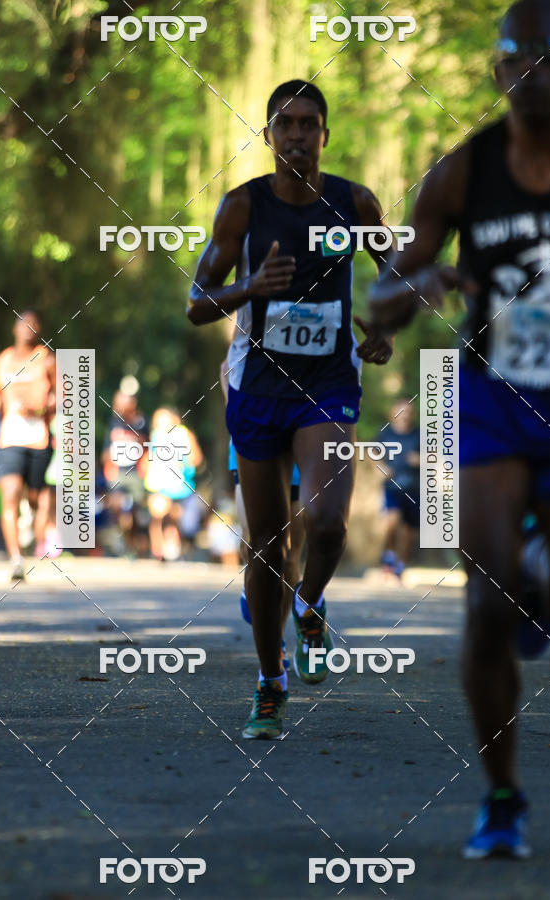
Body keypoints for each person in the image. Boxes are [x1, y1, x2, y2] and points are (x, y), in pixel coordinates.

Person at [368, 0, 550, 857]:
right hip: (493, 397)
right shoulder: (461, 174)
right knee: (486, 604)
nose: (536, 76)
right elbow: (382, 296)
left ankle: (541, 579)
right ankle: (503, 799)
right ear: (498, 72)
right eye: (520, 59)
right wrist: (421, 285)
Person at [188, 79, 392, 739]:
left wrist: (385, 324)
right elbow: (197, 302)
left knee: (326, 523)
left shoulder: (354, 203)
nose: (298, 134)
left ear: (325, 135)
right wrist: (250, 287)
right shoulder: (242, 208)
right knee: (268, 545)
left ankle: (310, 606)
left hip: (327, 383)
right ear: (268, 135)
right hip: (258, 388)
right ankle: (270, 683)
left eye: (309, 123)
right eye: (286, 123)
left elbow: (397, 271)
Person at [221, 358, 304, 668]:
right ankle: (254, 589)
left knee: (290, 555)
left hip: (300, 439)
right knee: (255, 545)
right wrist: (237, 407)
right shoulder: (253, 328)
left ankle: (276, 640)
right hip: (254, 434)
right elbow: (227, 366)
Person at [0, 309, 55, 580]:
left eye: (33, 325)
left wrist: (39, 409)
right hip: (10, 439)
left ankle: (30, 515)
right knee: (10, 493)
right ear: (15, 328)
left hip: (38, 440)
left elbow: (62, 398)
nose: (28, 328)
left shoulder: (46, 360)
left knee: (35, 498)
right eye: (24, 324)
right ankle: (16, 559)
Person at [143, 407, 203, 561]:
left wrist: (184, 462)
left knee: (182, 521)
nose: (159, 424)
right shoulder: (155, 436)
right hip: (159, 487)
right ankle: (158, 551)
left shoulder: (185, 435)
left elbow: (196, 459)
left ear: (175, 420)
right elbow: (147, 460)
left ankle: (177, 547)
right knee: (158, 512)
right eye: (157, 421)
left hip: (181, 489)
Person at [102, 389, 149, 558]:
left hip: (136, 473)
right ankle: (119, 537)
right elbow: (106, 451)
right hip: (117, 473)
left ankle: (132, 542)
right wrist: (108, 465)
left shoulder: (142, 423)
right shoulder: (113, 423)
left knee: (136, 510)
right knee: (117, 506)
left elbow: (148, 447)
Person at [377, 398, 420, 579]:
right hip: (391, 486)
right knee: (392, 521)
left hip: (414, 487)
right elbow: (372, 452)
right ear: (393, 413)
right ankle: (388, 556)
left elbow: (434, 456)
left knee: (410, 531)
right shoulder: (385, 433)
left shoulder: (419, 434)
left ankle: (401, 565)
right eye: (401, 412)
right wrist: (381, 467)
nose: (404, 416)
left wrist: (420, 460)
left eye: (408, 412)